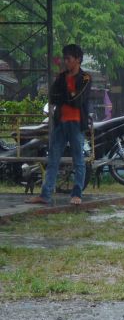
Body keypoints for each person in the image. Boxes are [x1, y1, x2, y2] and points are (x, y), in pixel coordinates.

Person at [27, 44, 92, 206]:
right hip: (60, 122)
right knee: (53, 159)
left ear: (78, 59)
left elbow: (77, 100)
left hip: (76, 123)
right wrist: (68, 94)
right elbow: (52, 97)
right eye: (65, 59)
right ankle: (45, 194)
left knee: (78, 160)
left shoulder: (85, 78)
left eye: (69, 59)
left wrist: (64, 95)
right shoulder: (62, 77)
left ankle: (77, 194)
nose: (66, 62)